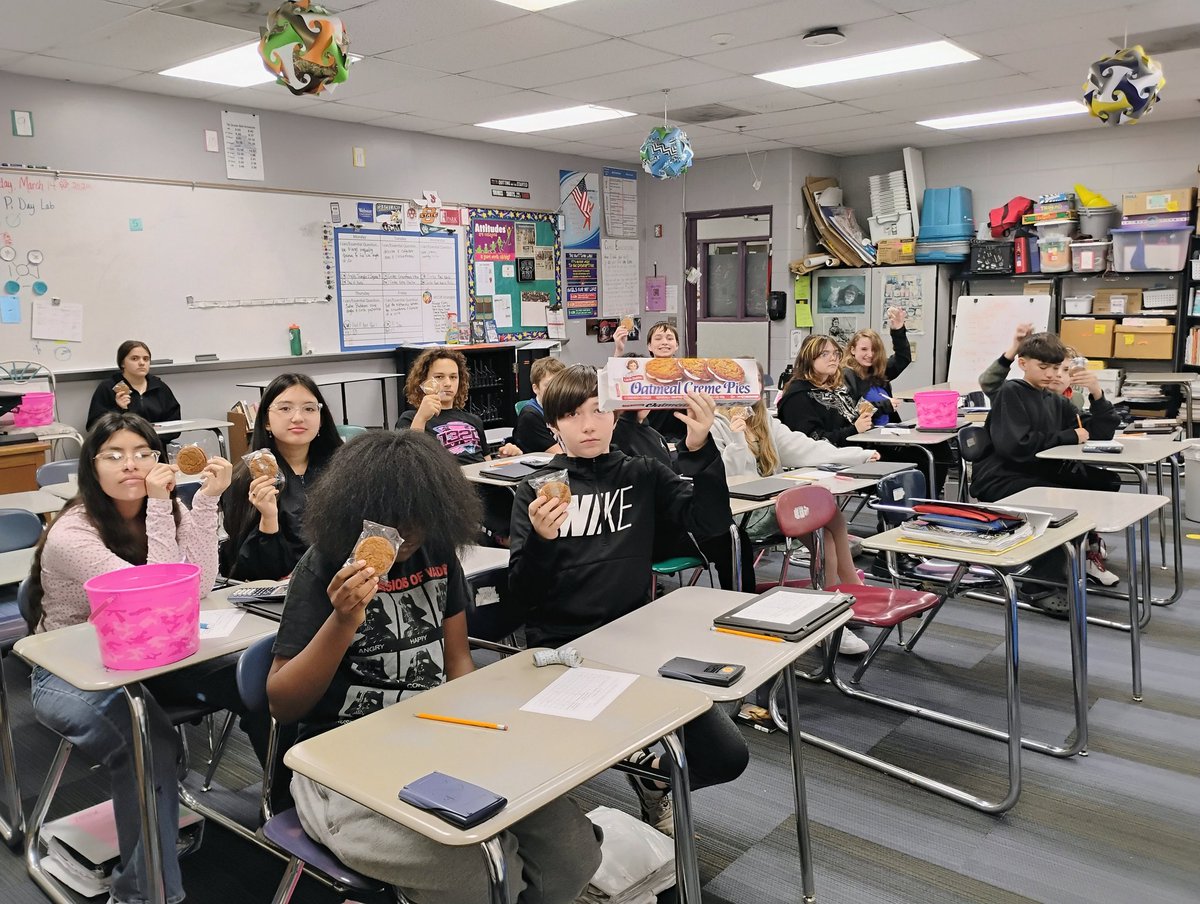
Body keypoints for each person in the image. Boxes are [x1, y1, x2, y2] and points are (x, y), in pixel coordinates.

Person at [267, 430, 601, 904]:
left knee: (573, 853)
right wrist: (343, 620)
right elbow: (282, 703)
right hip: (338, 761)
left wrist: (477, 734)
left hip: (435, 739)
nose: (403, 536)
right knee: (479, 873)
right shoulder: (323, 568)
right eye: (390, 520)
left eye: (418, 520)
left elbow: (457, 658)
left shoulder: (438, 555)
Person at [508, 365, 749, 835]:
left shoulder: (642, 475)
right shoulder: (534, 491)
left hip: (636, 638)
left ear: (616, 416)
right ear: (553, 425)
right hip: (562, 647)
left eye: (599, 410)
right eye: (573, 415)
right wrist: (540, 540)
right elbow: (521, 596)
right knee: (551, 769)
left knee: (727, 755)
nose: (589, 425)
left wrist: (700, 449)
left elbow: (711, 523)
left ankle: (653, 778)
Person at [25, 412, 237, 904]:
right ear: (90, 467)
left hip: (156, 658)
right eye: (114, 455)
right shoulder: (72, 533)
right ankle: (143, 893)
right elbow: (156, 596)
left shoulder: (163, 509)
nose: (131, 465)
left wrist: (204, 502)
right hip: (72, 670)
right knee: (147, 740)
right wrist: (164, 507)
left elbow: (200, 586)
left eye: (143, 453)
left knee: (263, 682)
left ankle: (295, 827)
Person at [710, 374, 878, 656]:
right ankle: (837, 610)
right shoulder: (715, 423)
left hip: (770, 505)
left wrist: (857, 455)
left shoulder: (765, 420)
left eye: (753, 385)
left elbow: (805, 449)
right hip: (739, 514)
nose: (749, 393)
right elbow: (726, 479)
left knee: (828, 513)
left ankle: (842, 596)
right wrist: (738, 439)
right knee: (819, 521)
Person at [971, 332, 1121, 611]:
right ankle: (1039, 583)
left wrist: (1097, 394)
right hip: (1002, 477)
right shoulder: (1012, 392)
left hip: (1034, 472)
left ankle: (1076, 555)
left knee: (1105, 482)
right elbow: (1015, 446)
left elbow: (1099, 432)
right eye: (1044, 367)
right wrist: (1067, 436)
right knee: (1058, 504)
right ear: (1023, 363)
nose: (1051, 375)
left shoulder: (1054, 400)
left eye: (1056, 368)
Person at [220, 373, 343, 581]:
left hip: (341, 587)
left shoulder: (342, 468)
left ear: (321, 419)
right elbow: (244, 569)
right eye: (285, 408)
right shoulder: (245, 478)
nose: (298, 417)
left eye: (309, 408)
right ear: (266, 421)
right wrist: (268, 519)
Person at [398, 347, 521, 460]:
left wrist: (505, 459)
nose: (447, 383)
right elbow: (408, 462)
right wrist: (421, 418)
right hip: (446, 480)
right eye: (439, 377)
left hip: (481, 480)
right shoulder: (410, 419)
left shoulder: (473, 420)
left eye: (453, 377)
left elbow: (486, 463)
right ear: (423, 381)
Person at [777, 334, 874, 446]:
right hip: (827, 458)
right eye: (824, 354)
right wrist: (854, 429)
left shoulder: (836, 387)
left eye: (836, 353)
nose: (833, 358)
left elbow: (854, 415)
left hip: (856, 449)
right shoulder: (798, 395)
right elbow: (812, 440)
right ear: (809, 359)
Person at [613, 320, 687, 444]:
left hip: (680, 440)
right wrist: (619, 349)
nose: (664, 342)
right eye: (658, 338)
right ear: (649, 346)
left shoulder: (687, 372)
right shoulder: (639, 369)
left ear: (677, 345)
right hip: (646, 438)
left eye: (669, 338)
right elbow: (614, 382)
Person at [87, 339, 181, 429]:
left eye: (146, 359)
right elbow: (94, 426)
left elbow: (174, 422)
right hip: (122, 443)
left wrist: (155, 438)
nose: (141, 363)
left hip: (155, 442)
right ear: (122, 363)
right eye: (135, 358)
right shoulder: (108, 387)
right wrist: (118, 409)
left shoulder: (159, 387)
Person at [841, 307, 912, 427]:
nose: (870, 355)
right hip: (866, 437)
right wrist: (885, 406)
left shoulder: (877, 370)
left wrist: (898, 330)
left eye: (874, 350)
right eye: (864, 349)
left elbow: (903, 358)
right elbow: (853, 410)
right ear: (853, 350)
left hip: (889, 432)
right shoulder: (846, 375)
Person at [509, 356, 566, 455]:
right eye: (549, 385)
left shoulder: (566, 409)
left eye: (559, 383)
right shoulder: (530, 416)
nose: (556, 389)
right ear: (536, 388)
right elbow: (560, 455)